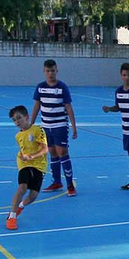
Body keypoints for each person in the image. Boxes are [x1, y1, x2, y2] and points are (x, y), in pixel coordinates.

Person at [30, 58, 77, 195]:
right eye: (48, 71)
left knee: (62, 152)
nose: (50, 73)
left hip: (60, 125)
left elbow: (68, 107)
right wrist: (31, 125)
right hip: (46, 126)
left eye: (53, 71)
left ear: (57, 71)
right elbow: (37, 106)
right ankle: (57, 182)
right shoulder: (40, 87)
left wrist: (74, 126)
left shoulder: (62, 87)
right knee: (52, 153)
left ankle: (70, 185)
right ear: (44, 72)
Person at [101, 62, 129, 195]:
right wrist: (109, 109)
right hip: (125, 129)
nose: (126, 77)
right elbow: (118, 107)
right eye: (124, 75)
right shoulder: (119, 91)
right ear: (121, 76)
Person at [5, 105, 48, 231]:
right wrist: (26, 158)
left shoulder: (38, 130)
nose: (17, 122)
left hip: (39, 165)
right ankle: (12, 217)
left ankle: (21, 206)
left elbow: (45, 149)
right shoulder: (18, 136)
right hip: (24, 163)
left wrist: (32, 156)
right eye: (14, 120)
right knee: (22, 187)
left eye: (19, 118)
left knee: (33, 196)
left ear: (27, 117)